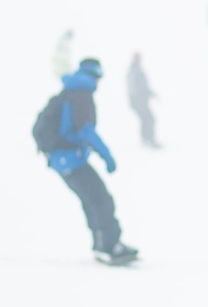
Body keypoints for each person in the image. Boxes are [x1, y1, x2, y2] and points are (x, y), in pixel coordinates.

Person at [46, 58, 139, 265]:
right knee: (101, 200)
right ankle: (110, 246)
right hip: (69, 159)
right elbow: (86, 131)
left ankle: (101, 245)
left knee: (92, 201)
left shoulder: (71, 90)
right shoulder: (81, 94)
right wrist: (107, 156)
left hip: (62, 160)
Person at [127, 52, 160, 148]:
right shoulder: (134, 71)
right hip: (139, 102)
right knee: (149, 119)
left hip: (140, 101)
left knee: (147, 119)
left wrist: (151, 94)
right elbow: (136, 88)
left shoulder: (136, 70)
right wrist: (136, 100)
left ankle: (146, 139)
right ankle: (148, 140)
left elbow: (144, 87)